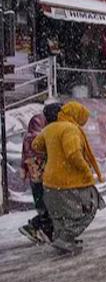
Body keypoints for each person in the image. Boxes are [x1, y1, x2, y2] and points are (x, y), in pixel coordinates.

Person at [32, 101, 105, 256]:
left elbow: (36, 145)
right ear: (76, 115)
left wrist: (53, 150)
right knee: (90, 207)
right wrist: (86, 171)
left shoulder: (50, 128)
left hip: (50, 181)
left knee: (58, 214)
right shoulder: (70, 129)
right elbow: (73, 154)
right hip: (69, 180)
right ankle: (65, 238)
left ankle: (61, 238)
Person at [18, 102, 63, 244]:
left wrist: (24, 169)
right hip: (41, 177)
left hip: (38, 177)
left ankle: (39, 228)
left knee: (46, 206)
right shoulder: (39, 134)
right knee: (47, 206)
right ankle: (40, 229)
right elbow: (40, 153)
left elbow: (25, 157)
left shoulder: (31, 135)